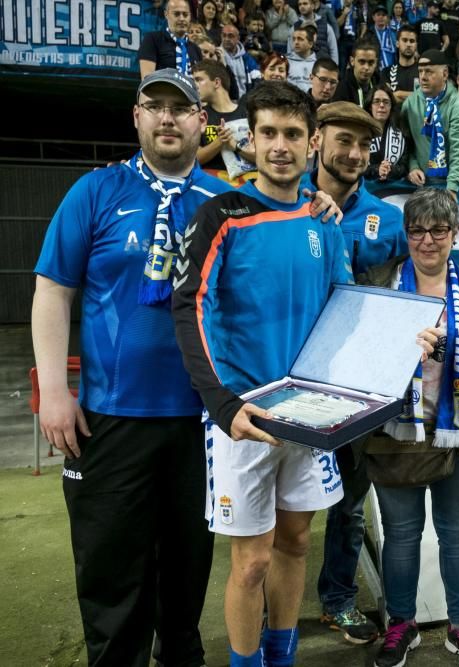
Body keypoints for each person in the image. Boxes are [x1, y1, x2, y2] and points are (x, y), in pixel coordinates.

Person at [32, 67, 221, 667]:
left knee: (187, 575)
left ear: (200, 121)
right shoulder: (95, 190)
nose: (168, 117)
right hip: (110, 420)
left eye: (181, 108)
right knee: (114, 575)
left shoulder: (224, 201)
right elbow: (52, 291)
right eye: (155, 106)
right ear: (137, 117)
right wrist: (56, 393)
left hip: (199, 423)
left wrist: (317, 199)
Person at [171, 81, 354, 667]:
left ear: (314, 143)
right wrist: (223, 405)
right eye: (269, 133)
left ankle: (282, 657)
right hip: (243, 415)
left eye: (293, 134)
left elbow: (346, 309)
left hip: (309, 412)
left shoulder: (326, 220)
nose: (281, 146)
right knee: (250, 561)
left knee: (297, 542)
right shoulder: (220, 213)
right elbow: (187, 306)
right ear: (250, 140)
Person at [361, 188, 459, 667]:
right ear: (407, 234)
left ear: (455, 235)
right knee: (401, 535)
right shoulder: (379, 281)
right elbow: (361, 356)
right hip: (395, 434)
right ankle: (402, 624)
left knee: (458, 534)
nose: (427, 240)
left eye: (439, 230)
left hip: (456, 433)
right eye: (417, 230)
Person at [301, 101, 407, 646]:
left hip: (353, 380)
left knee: (348, 503)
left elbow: (416, 281)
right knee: (281, 504)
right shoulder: (282, 199)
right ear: (317, 140)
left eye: (365, 145)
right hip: (286, 374)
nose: (354, 154)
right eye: (343, 140)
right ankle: (272, 608)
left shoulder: (387, 217)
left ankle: (337, 598)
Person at [400, 49, 459, 198]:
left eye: (429, 72)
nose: (423, 77)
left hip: (452, 181)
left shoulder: (458, 105)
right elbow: (406, 144)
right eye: (420, 71)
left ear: (445, 74)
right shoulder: (410, 104)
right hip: (420, 181)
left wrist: (452, 189)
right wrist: (412, 167)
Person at [192, 60, 257, 182]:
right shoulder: (199, 116)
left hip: (246, 184)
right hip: (211, 184)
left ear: (216, 82)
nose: (194, 85)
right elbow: (194, 159)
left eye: (199, 79)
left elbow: (262, 158)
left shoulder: (248, 114)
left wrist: (236, 147)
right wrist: (219, 142)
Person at [138, 0, 202, 78]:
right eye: (176, 14)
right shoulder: (152, 40)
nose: (182, 18)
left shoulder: (196, 49)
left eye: (185, 15)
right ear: (166, 14)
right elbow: (147, 80)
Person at [364, 84, 410, 183]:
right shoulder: (360, 131)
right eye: (376, 101)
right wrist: (377, 170)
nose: (381, 105)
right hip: (366, 186)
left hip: (393, 187)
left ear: (391, 107)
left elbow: (405, 166)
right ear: (370, 106)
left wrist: (391, 170)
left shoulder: (401, 131)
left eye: (386, 102)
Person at [221, 23, 262, 99]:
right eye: (224, 35)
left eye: (230, 36)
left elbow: (257, 79)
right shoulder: (216, 56)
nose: (226, 39)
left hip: (244, 101)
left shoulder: (246, 58)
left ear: (238, 38)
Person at [333, 38, 380, 106]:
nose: (366, 67)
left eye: (371, 62)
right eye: (362, 62)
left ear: (376, 63)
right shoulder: (341, 89)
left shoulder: (380, 84)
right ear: (352, 61)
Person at [383, 24, 420, 105]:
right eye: (404, 40)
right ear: (397, 43)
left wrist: (398, 94)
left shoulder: (423, 71)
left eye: (412, 41)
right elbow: (386, 98)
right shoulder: (386, 72)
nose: (408, 44)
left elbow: (425, 97)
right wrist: (414, 95)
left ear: (416, 45)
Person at [287, 25, 319, 92]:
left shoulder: (318, 64)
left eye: (300, 39)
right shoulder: (285, 61)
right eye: (294, 39)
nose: (296, 42)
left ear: (310, 44)